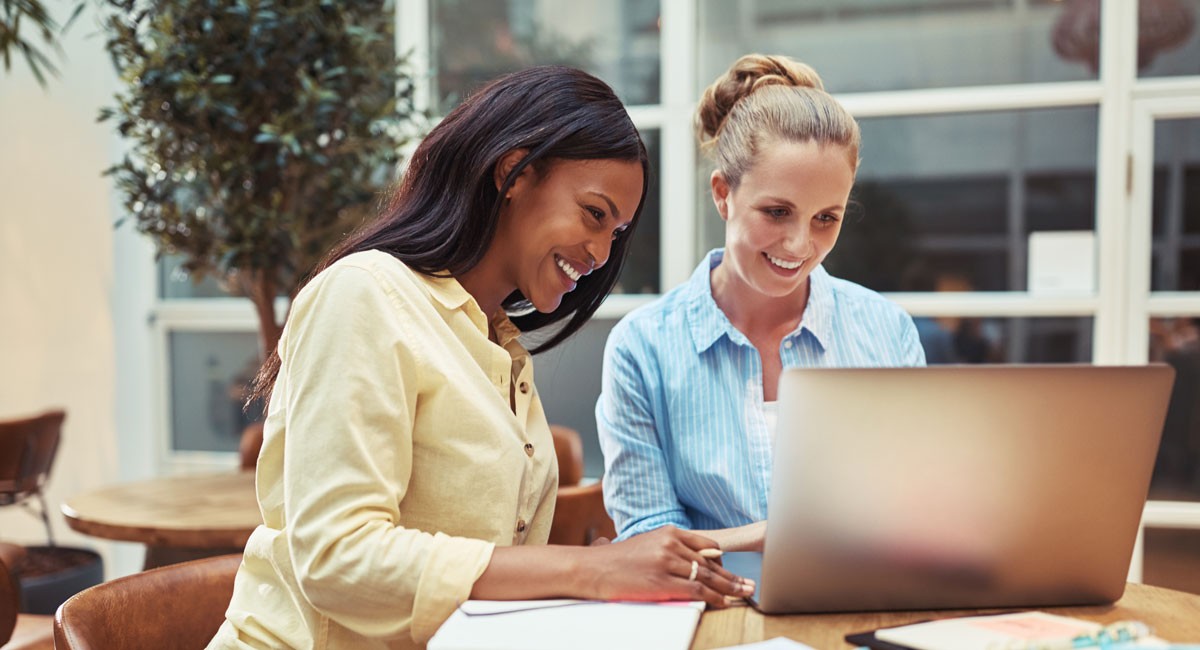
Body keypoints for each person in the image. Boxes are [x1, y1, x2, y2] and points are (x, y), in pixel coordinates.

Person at [207, 66, 752, 650]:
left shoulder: (500, 348)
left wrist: (601, 570)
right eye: (594, 214)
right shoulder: (365, 294)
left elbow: (484, 576)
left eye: (616, 233)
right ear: (513, 173)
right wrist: (586, 572)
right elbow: (338, 559)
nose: (600, 253)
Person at [596, 54, 926, 553]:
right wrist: (778, 537)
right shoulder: (643, 348)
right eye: (777, 212)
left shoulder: (885, 331)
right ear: (723, 195)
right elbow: (648, 542)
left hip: (857, 608)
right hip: (708, 615)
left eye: (826, 218)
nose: (799, 245)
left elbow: (919, 505)